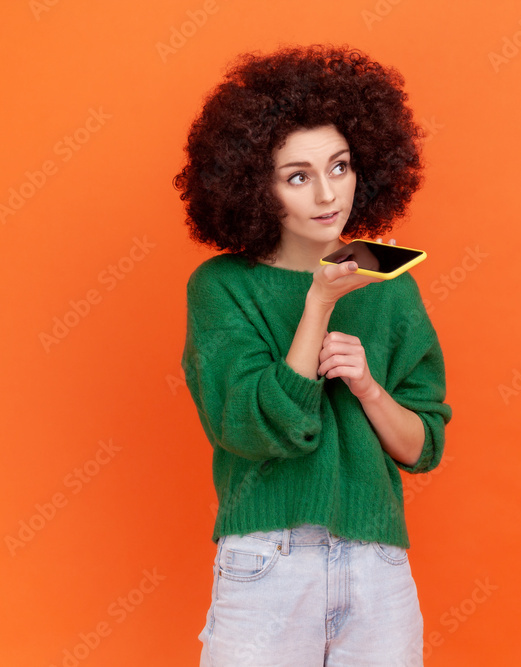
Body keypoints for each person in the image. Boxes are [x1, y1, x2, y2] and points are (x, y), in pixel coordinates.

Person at [174, 43, 453, 666]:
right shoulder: (222, 288)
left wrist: (368, 388)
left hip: (376, 566)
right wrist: (319, 302)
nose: (329, 193)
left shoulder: (390, 287)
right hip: (267, 563)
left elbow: (422, 447)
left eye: (340, 166)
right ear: (256, 187)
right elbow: (255, 430)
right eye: (298, 176)